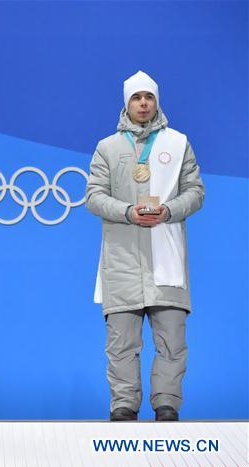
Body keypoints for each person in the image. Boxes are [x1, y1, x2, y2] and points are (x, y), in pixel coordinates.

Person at [86, 71, 204, 421]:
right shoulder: (108, 147)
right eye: (136, 98)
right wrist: (126, 211)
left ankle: (167, 405)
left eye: (148, 98)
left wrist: (168, 210)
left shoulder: (178, 143)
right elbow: (93, 196)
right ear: (127, 102)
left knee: (172, 342)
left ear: (156, 101)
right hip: (122, 260)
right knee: (121, 345)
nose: (142, 104)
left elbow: (195, 192)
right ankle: (123, 407)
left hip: (166, 258)